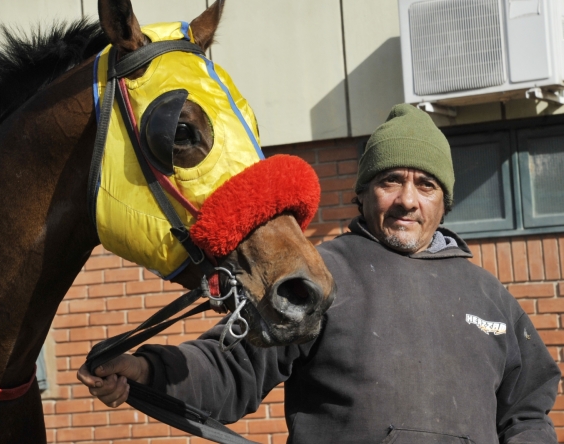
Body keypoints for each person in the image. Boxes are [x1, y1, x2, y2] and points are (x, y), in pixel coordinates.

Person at [77, 104, 561, 444]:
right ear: (364, 193)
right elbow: (232, 367)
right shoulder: (323, 274)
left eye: (425, 185)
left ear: (444, 201)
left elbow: (526, 411)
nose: (407, 200)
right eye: (391, 180)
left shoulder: (490, 296)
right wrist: (146, 371)